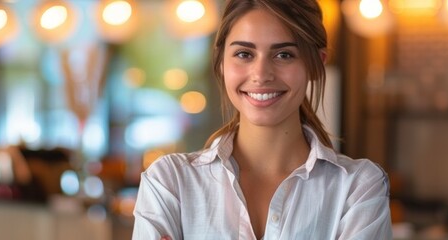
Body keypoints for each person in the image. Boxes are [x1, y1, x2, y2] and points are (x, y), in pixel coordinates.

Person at [132, 0, 392, 239]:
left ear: (316, 64)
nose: (261, 74)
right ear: (221, 63)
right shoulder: (169, 182)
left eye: (284, 55)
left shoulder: (358, 188)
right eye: (244, 54)